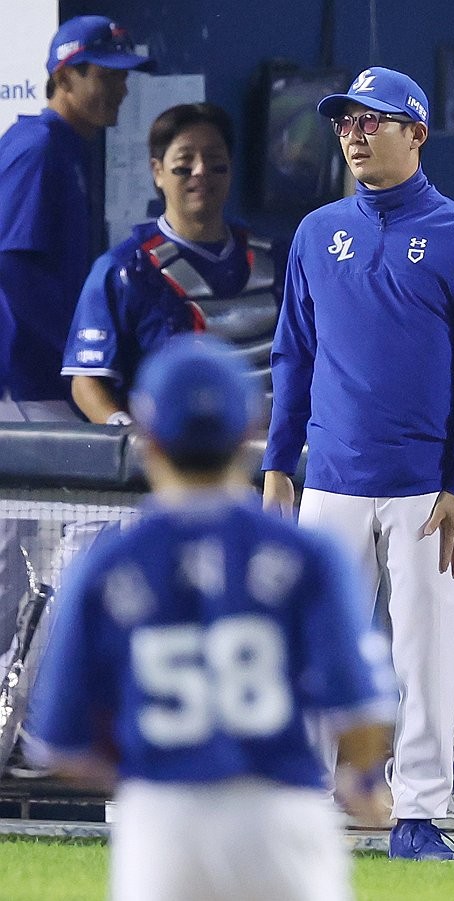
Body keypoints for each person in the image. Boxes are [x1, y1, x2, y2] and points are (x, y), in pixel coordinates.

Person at [24, 335, 394, 901]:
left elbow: (60, 743)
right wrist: (358, 781)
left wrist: (153, 761)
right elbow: (363, 710)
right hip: (280, 814)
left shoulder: (108, 566)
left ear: (147, 439)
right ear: (248, 433)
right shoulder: (305, 555)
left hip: (163, 819)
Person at [261, 66, 454, 861]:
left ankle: (419, 815)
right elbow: (292, 354)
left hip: (427, 492)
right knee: (311, 648)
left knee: (427, 657)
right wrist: (277, 465)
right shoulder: (315, 231)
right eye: (346, 123)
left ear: (418, 133)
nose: (355, 135)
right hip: (329, 479)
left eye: (374, 121)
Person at [62, 102, 279, 425]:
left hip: (273, 459)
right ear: (157, 171)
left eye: (216, 160)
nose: (201, 171)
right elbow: (87, 379)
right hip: (179, 460)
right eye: (184, 162)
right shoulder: (123, 270)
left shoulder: (277, 258)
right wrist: (125, 434)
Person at [0, 15, 154, 422]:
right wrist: (77, 349)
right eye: (107, 77)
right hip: (26, 381)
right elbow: (11, 264)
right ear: (66, 78)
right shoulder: (38, 147)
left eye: (124, 78)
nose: (122, 90)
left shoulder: (69, 147)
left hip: (47, 378)